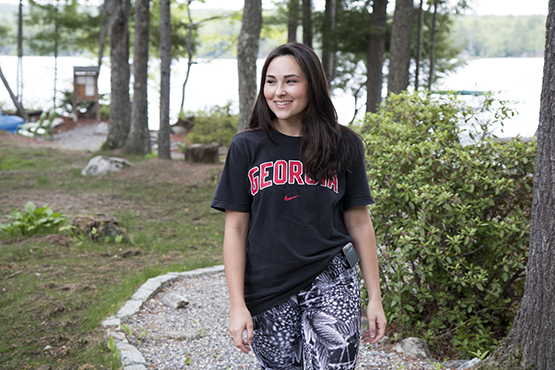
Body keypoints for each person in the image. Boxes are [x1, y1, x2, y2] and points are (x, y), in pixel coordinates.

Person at [210, 42, 386, 370]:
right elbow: (235, 229)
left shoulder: (343, 145)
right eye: (271, 81)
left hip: (331, 277)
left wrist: (374, 297)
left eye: (291, 81)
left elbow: (360, 222)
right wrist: (237, 305)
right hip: (267, 284)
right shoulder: (246, 147)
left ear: (312, 86)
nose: (279, 91)